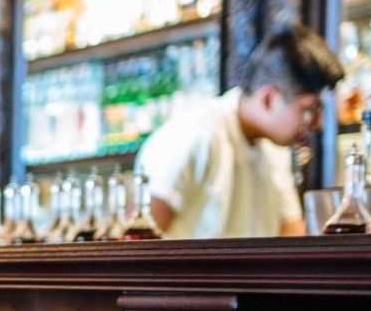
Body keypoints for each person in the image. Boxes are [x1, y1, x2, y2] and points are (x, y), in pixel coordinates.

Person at [136, 23, 344, 240]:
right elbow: (143, 244)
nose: (317, 124)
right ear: (269, 99)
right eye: (309, 111)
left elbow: (291, 231)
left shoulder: (275, 147)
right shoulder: (192, 135)